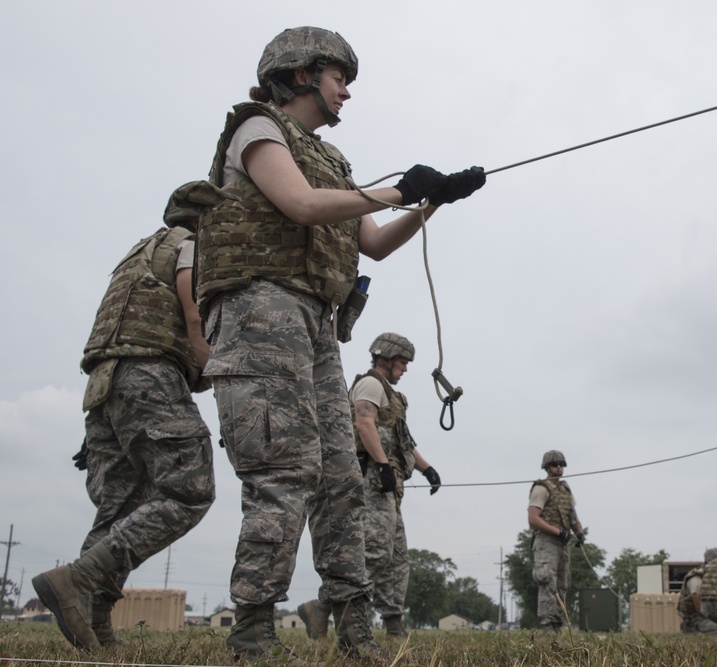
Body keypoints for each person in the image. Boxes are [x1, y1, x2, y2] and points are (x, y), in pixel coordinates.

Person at [194, 26, 485, 663]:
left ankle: (355, 626)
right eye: (339, 76)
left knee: (340, 478)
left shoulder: (335, 162)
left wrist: (431, 203)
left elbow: (373, 242)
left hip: (316, 323)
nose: (346, 90)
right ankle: (251, 631)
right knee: (284, 469)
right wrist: (400, 188)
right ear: (300, 74)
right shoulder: (257, 128)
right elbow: (297, 203)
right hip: (259, 307)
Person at [31, 183, 220, 651]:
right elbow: (192, 311)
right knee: (189, 489)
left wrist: (111, 413)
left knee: (119, 506)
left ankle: (93, 623)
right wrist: (210, 364)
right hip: (149, 375)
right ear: (205, 220)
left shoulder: (135, 256)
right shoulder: (189, 247)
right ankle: (78, 578)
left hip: (105, 385)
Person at [300, 333, 440, 638]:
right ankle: (323, 607)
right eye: (402, 362)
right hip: (373, 481)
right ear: (386, 359)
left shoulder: (391, 395)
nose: (405, 369)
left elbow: (402, 439)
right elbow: (364, 423)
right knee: (375, 551)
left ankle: (393, 625)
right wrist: (382, 465)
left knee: (396, 558)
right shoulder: (370, 384)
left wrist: (427, 469)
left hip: (389, 486)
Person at [528, 450, 586, 633]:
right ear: (547, 467)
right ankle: (547, 626)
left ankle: (558, 625)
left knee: (562, 585)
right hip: (546, 542)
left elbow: (572, 514)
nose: (559, 467)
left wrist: (579, 532)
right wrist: (557, 532)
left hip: (562, 542)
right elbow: (533, 518)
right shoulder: (541, 489)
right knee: (548, 582)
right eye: (554, 464)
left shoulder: (565, 489)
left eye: (561, 464)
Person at [678, 548, 717, 633]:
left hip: (707, 617)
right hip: (694, 621)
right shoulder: (696, 580)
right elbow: (700, 609)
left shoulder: (710, 578)